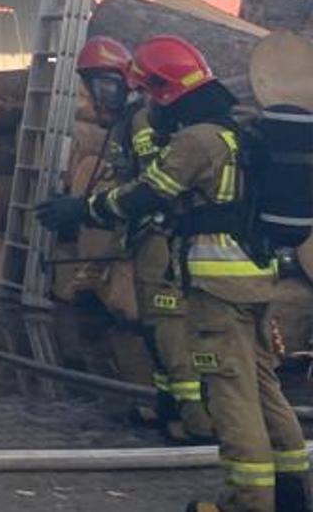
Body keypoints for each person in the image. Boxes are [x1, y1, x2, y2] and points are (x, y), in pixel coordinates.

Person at [42, 36, 307, 512]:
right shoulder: (237, 130)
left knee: (230, 392)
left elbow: (146, 194)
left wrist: (81, 208)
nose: (144, 103)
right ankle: (291, 492)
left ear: (164, 93)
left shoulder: (196, 141)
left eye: (148, 93)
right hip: (256, 279)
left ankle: (247, 501)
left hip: (215, 286)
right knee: (264, 385)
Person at [77, 36, 213, 442]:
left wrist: (93, 209)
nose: (100, 96)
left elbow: (154, 185)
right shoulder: (127, 122)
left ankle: (198, 422)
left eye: (105, 85)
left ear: (124, 83)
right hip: (145, 237)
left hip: (162, 237)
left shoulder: (142, 120)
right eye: (93, 86)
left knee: (170, 329)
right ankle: (168, 404)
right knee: (154, 328)